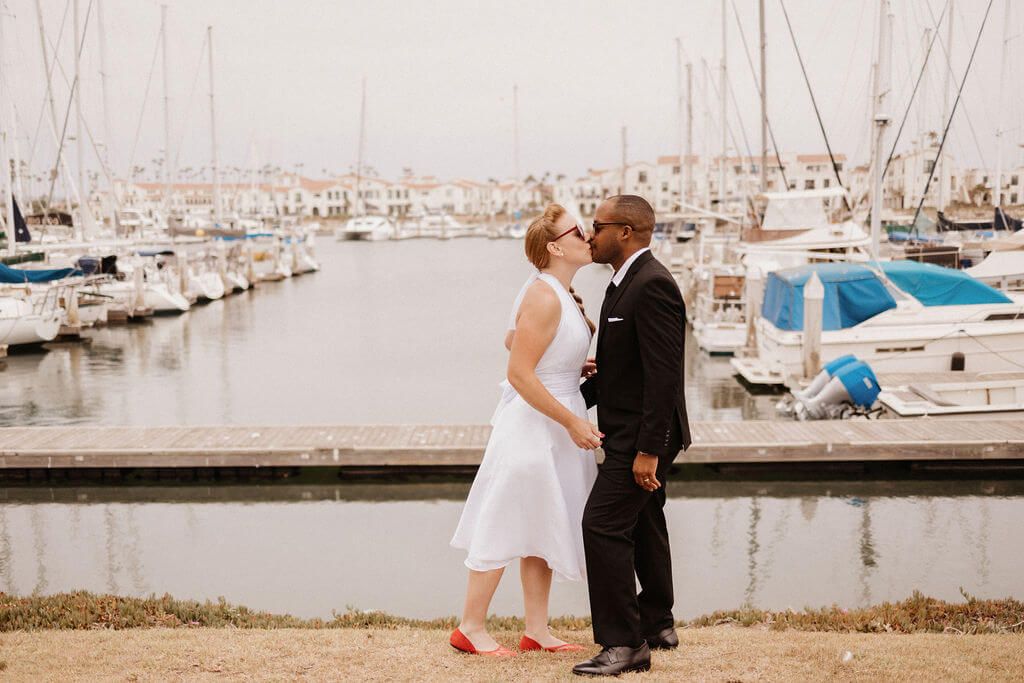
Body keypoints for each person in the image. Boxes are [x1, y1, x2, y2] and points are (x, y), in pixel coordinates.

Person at [450, 203, 602, 657]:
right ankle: (470, 628)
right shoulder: (543, 294)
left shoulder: (558, 290)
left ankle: (537, 630)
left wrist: (571, 364)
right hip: (535, 428)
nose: (589, 235)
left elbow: (516, 339)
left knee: (542, 523)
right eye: (579, 231)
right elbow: (519, 372)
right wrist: (574, 419)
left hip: (552, 418)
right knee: (503, 520)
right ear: (556, 246)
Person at [572, 195, 691, 677]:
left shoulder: (654, 284)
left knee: (601, 525)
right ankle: (658, 622)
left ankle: (624, 644)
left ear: (624, 231)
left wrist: (648, 451)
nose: (589, 234)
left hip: (644, 437)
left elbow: (665, 376)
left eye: (596, 226)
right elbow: (624, 369)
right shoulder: (621, 284)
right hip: (625, 429)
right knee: (645, 521)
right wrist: (563, 403)